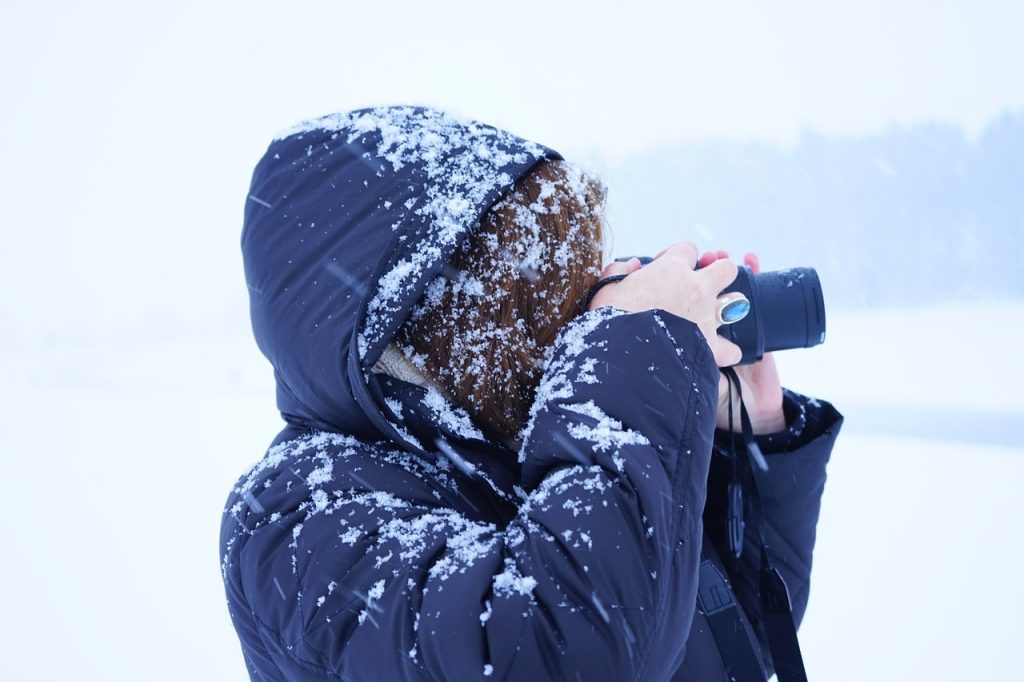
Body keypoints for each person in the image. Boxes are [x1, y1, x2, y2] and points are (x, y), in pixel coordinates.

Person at [220, 106, 843, 681]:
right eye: (552, 287)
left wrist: (736, 446)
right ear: (453, 315)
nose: (577, 309)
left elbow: (724, 650)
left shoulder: (523, 442)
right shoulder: (295, 516)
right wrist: (633, 360)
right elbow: (569, 653)